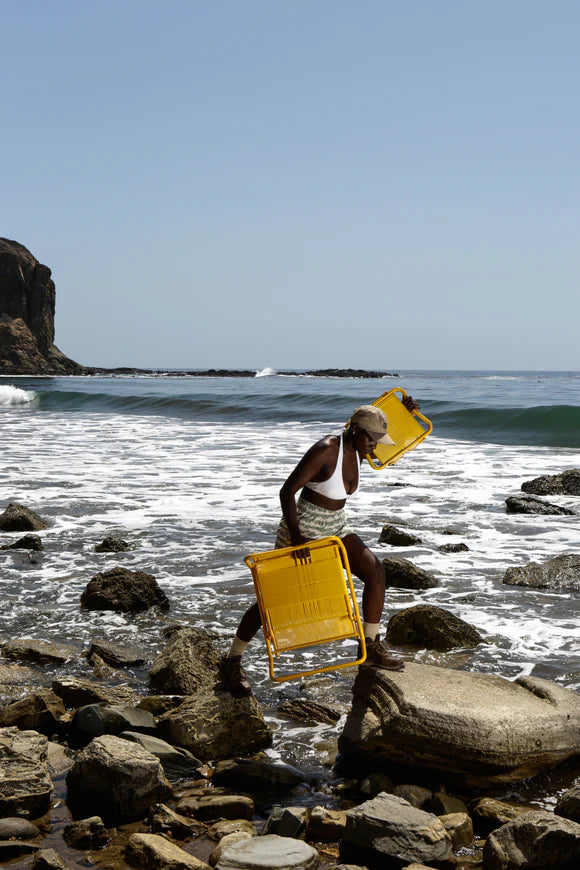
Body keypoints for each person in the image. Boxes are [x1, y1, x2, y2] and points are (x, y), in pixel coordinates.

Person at [220, 398, 419, 697]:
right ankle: (232, 660)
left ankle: (370, 647)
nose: (375, 447)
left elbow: (395, 446)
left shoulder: (361, 447)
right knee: (273, 602)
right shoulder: (328, 449)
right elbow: (287, 491)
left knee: (376, 573)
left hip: (337, 525)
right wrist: (297, 538)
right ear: (354, 431)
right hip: (302, 529)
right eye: (372, 440)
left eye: (377, 441)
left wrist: (406, 413)